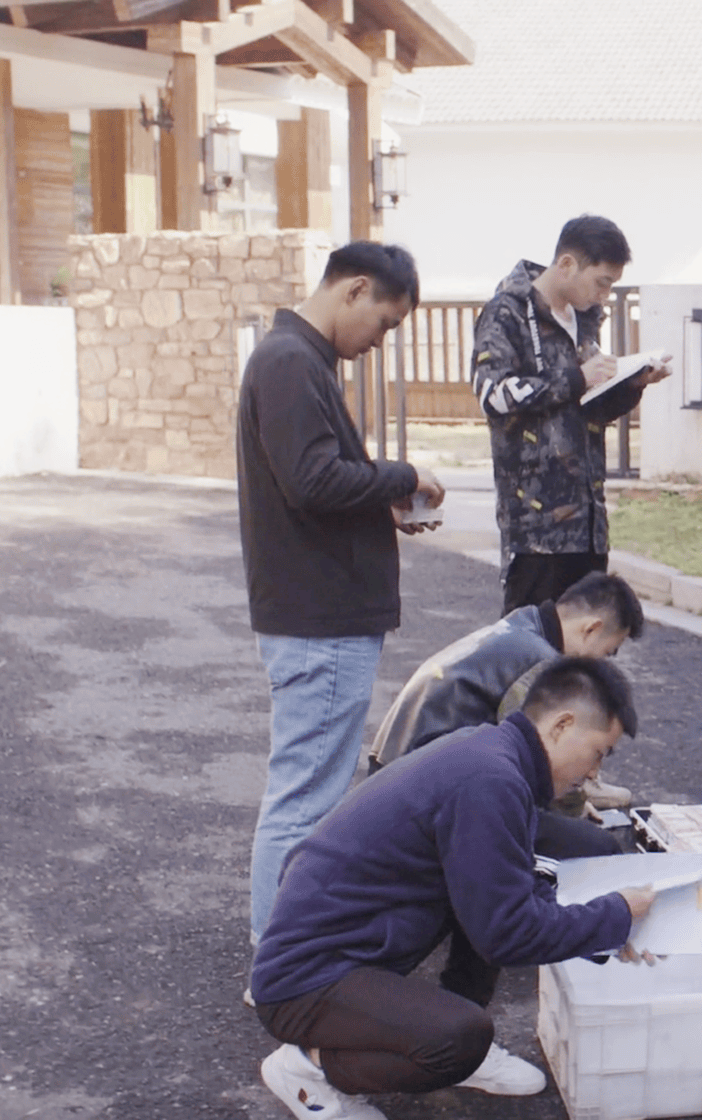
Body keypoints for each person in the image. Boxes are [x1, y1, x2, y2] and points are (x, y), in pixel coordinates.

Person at [250, 658, 656, 1120]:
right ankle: (307, 1070)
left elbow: (511, 890)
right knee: (458, 1040)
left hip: (343, 951)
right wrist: (616, 914)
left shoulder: (495, 754)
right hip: (303, 980)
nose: (593, 773)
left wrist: (610, 931)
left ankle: (428, 1031)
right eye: (599, 752)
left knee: (498, 890)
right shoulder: (491, 780)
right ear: (563, 725)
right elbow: (509, 933)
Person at [237, 241, 446, 948]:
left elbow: (311, 485)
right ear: (355, 290)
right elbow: (313, 481)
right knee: (304, 801)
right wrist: (399, 477)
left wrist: (376, 503)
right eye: (385, 323)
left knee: (308, 793)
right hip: (319, 619)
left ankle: (286, 952)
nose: (379, 341)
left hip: (316, 612)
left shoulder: (297, 358)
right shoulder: (291, 361)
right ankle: (282, 963)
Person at [472, 214, 671, 618]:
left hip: (587, 522)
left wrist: (633, 384)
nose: (604, 296)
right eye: (602, 283)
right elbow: (493, 395)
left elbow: (585, 408)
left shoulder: (582, 321)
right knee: (531, 652)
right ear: (566, 264)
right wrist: (575, 377)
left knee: (586, 654)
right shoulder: (506, 313)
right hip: (535, 528)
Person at [367, 571, 644, 824]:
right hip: (416, 789)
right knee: (584, 842)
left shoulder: (524, 623)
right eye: (608, 652)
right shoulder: (540, 662)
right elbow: (539, 757)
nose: (603, 664)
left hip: (392, 764)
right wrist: (573, 807)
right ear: (591, 629)